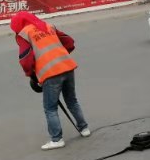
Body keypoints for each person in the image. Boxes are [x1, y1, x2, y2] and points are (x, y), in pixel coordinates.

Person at [10, 11, 90, 150]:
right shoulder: (48, 26)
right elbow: (69, 42)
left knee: (50, 108)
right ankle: (84, 129)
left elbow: (25, 60)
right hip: (67, 66)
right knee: (72, 100)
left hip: (50, 72)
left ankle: (56, 139)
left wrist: (31, 75)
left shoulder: (24, 34)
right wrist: (60, 56)